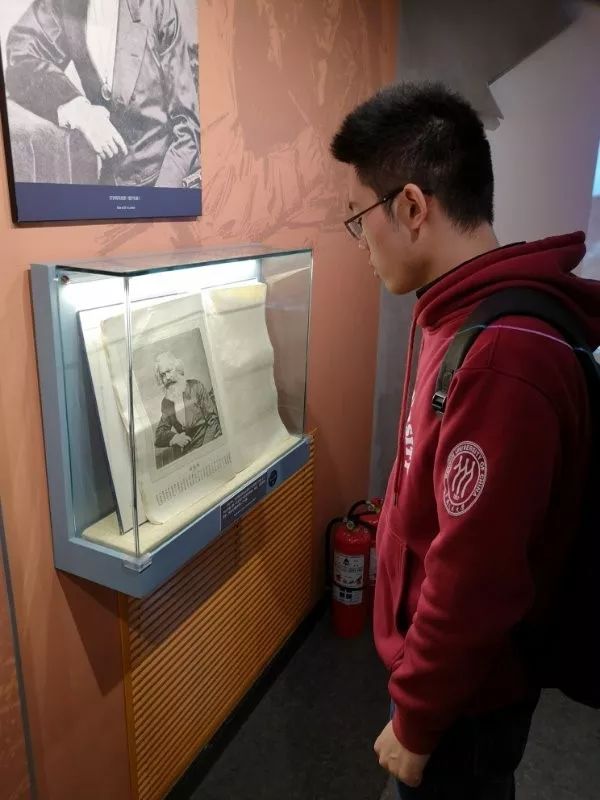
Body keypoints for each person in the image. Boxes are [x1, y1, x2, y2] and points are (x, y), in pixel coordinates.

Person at [330, 82, 600, 799]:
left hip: (465, 697)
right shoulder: (453, 311)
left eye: (358, 218)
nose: (360, 245)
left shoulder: (503, 357)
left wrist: (417, 718)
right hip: (441, 673)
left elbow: (479, 577)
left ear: (412, 207)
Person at [5, 0, 200, 188]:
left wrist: (162, 198)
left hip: (165, 180)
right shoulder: (62, 3)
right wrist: (79, 111)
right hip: (109, 184)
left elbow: (188, 125)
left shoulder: (157, 5)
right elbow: (21, 55)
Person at [154, 352, 221, 464]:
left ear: (177, 369)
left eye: (169, 371)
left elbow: (213, 421)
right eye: (163, 375)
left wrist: (204, 451)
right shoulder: (166, 403)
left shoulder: (196, 386)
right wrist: (175, 438)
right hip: (189, 452)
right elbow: (159, 435)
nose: (167, 378)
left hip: (210, 440)